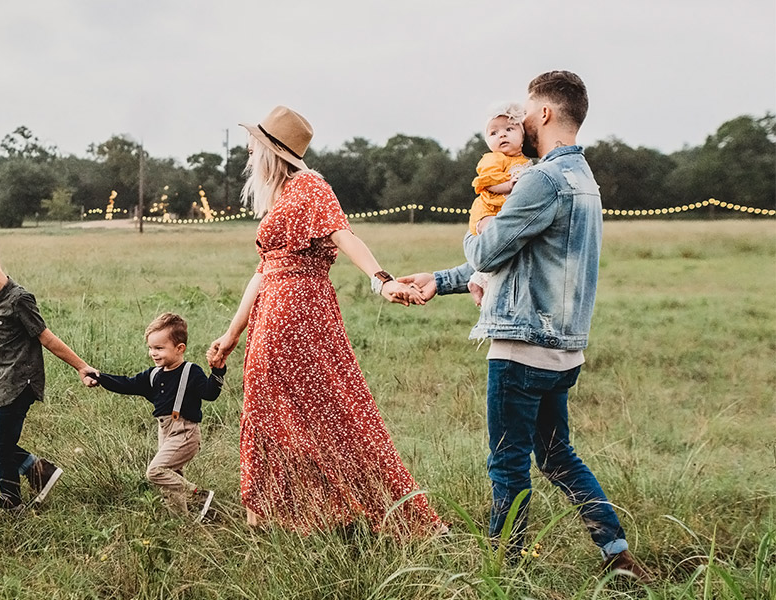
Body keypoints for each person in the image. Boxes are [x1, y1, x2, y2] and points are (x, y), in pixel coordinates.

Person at [399, 72, 650, 580]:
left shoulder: (541, 179)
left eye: (527, 111)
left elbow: (490, 249)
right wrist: (442, 280)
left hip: (522, 346)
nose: (520, 120)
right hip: (564, 350)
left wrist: (478, 229)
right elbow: (522, 257)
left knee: (507, 462)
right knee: (558, 456)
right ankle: (617, 555)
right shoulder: (584, 180)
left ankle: (502, 571)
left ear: (547, 114)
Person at [207, 105, 446, 535]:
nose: (247, 151)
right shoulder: (282, 195)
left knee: (332, 410)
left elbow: (344, 234)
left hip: (298, 314)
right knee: (272, 413)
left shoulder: (309, 186)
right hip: (274, 314)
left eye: (253, 145)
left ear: (271, 151)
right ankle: (277, 514)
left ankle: (361, 510)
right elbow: (262, 272)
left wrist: (381, 280)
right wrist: (231, 334)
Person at [0, 231, 96, 512]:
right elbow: (6, 335)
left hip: (18, 385)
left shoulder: (19, 299)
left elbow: (46, 337)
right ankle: (38, 470)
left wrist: (82, 367)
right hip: (2, 385)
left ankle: (12, 503)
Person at [87, 313, 225, 521]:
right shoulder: (153, 375)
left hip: (185, 433)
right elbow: (127, 384)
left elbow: (210, 394)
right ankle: (181, 525)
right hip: (165, 432)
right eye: (151, 348)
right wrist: (100, 377)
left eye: (159, 348)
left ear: (180, 349)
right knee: (171, 483)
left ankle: (198, 496)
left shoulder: (191, 371)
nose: (153, 353)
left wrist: (217, 371)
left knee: (156, 472)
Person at [467, 103, 532, 306]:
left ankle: (480, 279)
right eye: (494, 133)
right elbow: (486, 182)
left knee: (506, 245)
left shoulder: (525, 161)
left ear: (522, 136)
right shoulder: (493, 159)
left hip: (503, 210)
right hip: (488, 210)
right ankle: (480, 279)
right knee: (495, 237)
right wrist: (509, 185)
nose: (501, 135)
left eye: (509, 129)